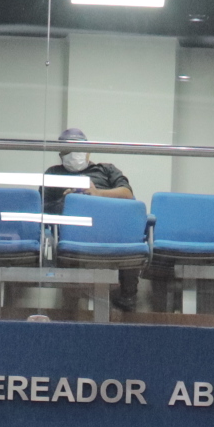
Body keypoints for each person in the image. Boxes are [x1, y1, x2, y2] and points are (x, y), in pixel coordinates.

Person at [43, 126, 140, 311]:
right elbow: (42, 209)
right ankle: (70, 306)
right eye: (67, 150)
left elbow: (127, 195)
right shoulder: (53, 174)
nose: (73, 155)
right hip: (72, 232)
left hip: (108, 228)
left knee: (129, 236)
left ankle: (127, 297)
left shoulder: (106, 170)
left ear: (88, 151)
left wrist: (97, 193)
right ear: (60, 154)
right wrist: (68, 201)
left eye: (78, 149)